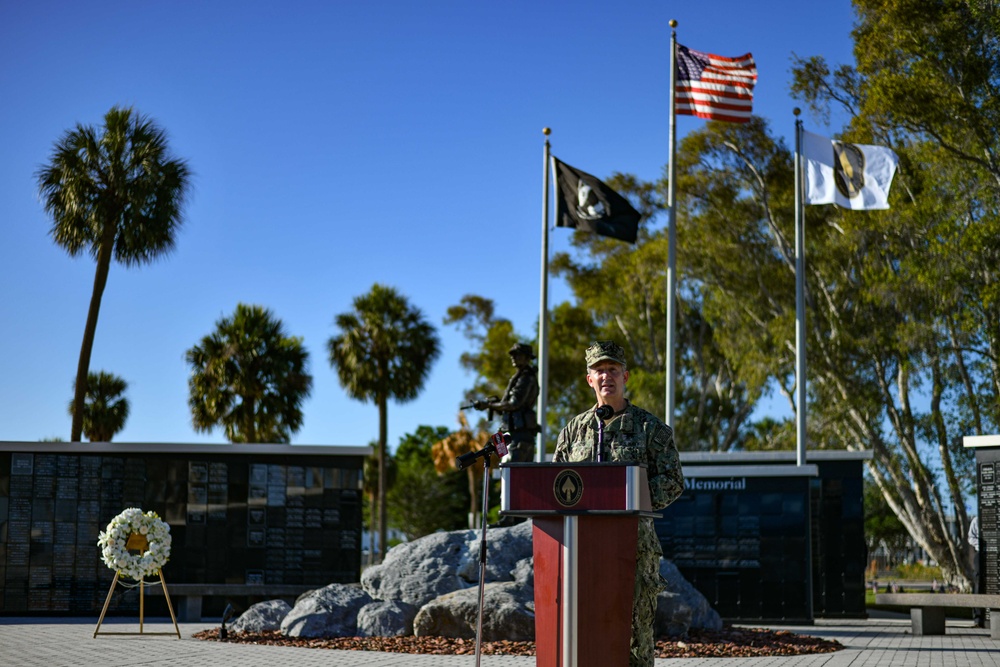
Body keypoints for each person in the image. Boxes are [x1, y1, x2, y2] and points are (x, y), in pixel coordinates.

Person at [554, 340, 684, 667]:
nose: (606, 376)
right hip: (581, 548)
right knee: (585, 630)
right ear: (589, 379)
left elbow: (673, 480)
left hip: (634, 550)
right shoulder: (573, 432)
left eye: (612, 369)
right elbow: (555, 484)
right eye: (599, 370)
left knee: (635, 635)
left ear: (625, 376)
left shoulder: (650, 428)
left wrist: (628, 498)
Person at [475, 343, 540, 463]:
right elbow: (508, 406)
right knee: (509, 470)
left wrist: (489, 405)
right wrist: (495, 405)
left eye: (517, 355)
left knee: (510, 470)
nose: (513, 357)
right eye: (512, 355)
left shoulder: (526, 378)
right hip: (512, 434)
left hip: (519, 436)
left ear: (527, 358)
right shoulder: (520, 377)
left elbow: (513, 404)